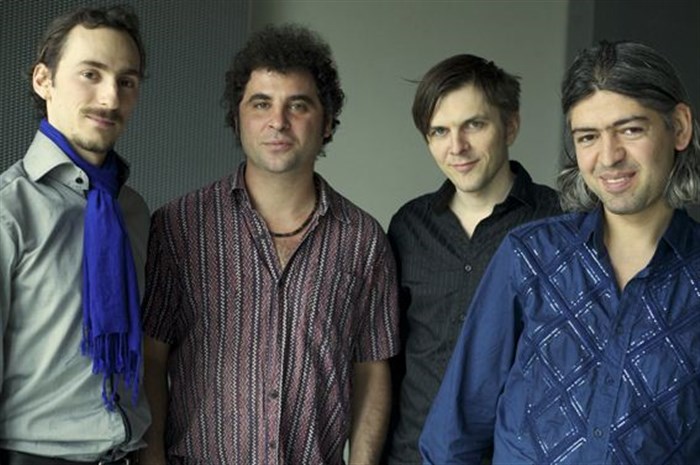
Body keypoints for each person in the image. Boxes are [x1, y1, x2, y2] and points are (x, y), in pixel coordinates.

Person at [420, 40, 700, 463]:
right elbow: (453, 435)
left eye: (630, 130)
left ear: (679, 127)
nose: (609, 157)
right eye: (588, 137)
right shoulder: (529, 256)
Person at [138, 24, 399, 465]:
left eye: (298, 105)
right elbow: (151, 358)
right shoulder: (178, 228)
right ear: (237, 118)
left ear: (327, 122)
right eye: (261, 104)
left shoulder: (363, 241)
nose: (278, 121)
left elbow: (372, 369)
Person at [384, 54, 561, 464]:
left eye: (474, 125)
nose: (457, 147)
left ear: (510, 126)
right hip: (412, 455)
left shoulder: (558, 222)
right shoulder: (408, 226)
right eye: (439, 131)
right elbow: (388, 359)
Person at [0, 5, 150, 464]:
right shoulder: (9, 209)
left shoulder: (133, 211)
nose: (110, 97)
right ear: (43, 80)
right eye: (91, 74)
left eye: (126, 81)